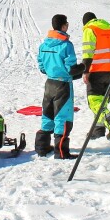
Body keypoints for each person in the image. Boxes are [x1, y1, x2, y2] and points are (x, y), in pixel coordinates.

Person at [36, 14, 81, 159]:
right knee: (63, 117)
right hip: (63, 85)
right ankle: (61, 151)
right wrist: (83, 68)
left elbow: (42, 67)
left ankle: (42, 148)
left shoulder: (44, 45)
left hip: (49, 84)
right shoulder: (66, 45)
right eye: (66, 24)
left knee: (47, 114)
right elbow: (71, 69)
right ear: (63, 26)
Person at [81, 12, 110, 139]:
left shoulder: (90, 29)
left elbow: (88, 53)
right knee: (101, 101)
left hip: (96, 71)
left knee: (94, 101)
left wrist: (85, 71)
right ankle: (98, 130)